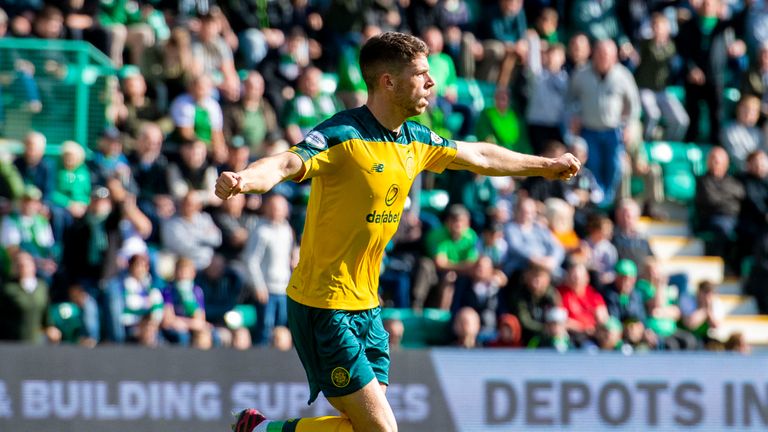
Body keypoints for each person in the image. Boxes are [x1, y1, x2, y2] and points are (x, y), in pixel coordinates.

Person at [216, 31, 579, 432]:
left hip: (368, 306)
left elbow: (479, 154)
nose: (432, 82)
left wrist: (544, 165)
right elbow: (286, 164)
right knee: (383, 430)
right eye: (421, 73)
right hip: (324, 305)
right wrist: (244, 180)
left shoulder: (415, 138)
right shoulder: (344, 136)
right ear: (388, 82)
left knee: (360, 428)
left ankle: (261, 429)